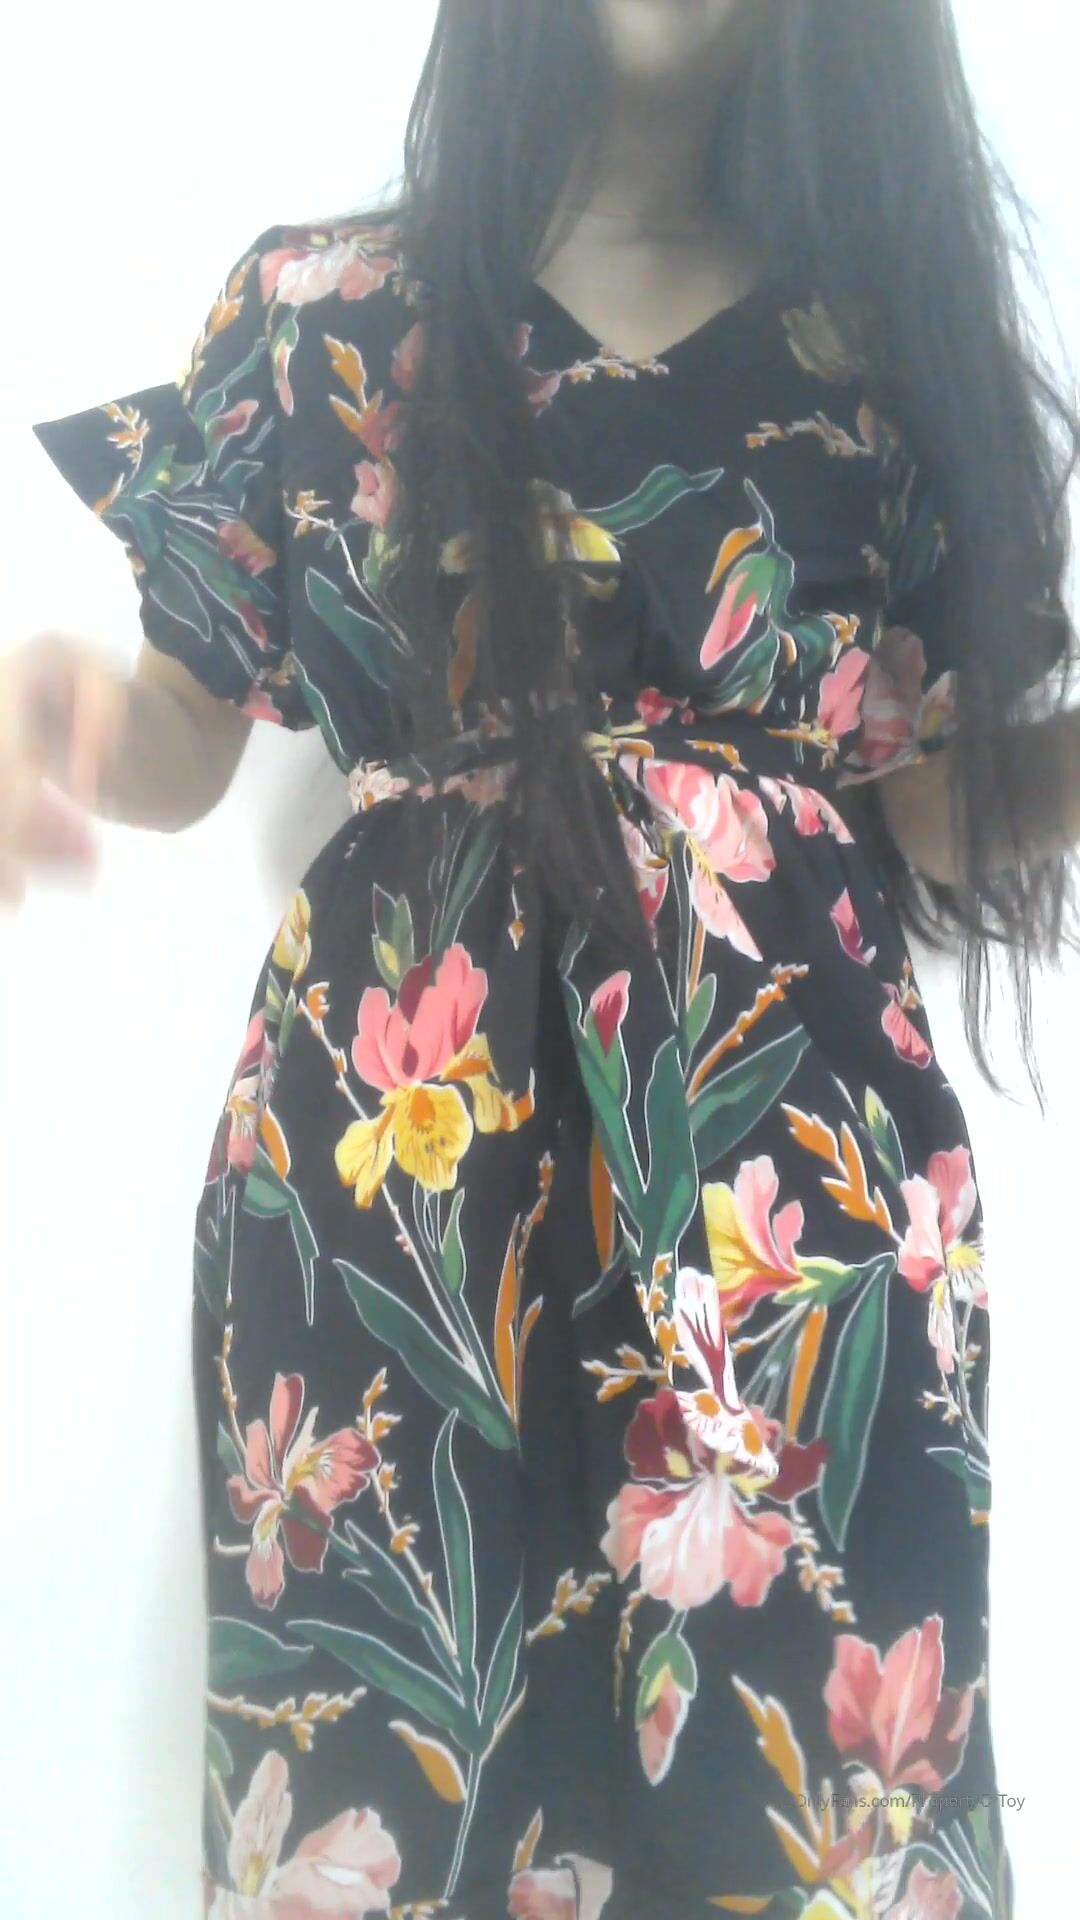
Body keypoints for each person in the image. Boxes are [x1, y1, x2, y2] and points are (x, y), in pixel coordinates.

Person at [5, 2, 1079, 1915]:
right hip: (400, 1183)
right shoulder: (328, 322)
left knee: (800, 1809)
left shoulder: (878, 363)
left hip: (789, 1206)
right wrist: (66, 713)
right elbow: (183, 719)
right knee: (406, 1777)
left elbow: (932, 802)